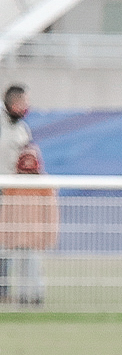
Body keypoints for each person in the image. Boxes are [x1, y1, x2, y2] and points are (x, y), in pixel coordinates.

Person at [0, 142, 57, 305]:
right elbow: (6, 212)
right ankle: (23, 297)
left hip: (35, 236)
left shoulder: (45, 185)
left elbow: (51, 214)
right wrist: (4, 235)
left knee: (34, 267)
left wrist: (49, 236)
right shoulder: (12, 183)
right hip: (17, 235)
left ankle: (37, 296)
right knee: (20, 268)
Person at [0, 85, 34, 304]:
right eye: (23, 101)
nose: (27, 106)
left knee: (7, 243)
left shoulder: (22, 129)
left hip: (12, 194)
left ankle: (4, 292)